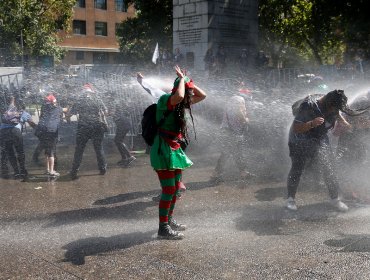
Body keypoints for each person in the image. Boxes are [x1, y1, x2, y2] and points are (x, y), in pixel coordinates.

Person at [149, 66, 206, 239]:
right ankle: (163, 228)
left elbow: (202, 95)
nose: (190, 97)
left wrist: (187, 79)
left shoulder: (182, 103)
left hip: (174, 148)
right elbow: (180, 95)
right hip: (163, 149)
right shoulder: (166, 99)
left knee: (174, 190)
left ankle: (169, 220)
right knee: (168, 189)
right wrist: (182, 79)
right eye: (188, 92)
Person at [286, 89, 364, 212]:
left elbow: (337, 114)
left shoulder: (332, 104)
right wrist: (312, 123)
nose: (335, 110)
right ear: (328, 104)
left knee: (330, 168)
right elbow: (297, 127)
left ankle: (334, 199)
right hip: (299, 138)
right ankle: (290, 199)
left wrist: (345, 123)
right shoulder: (309, 105)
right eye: (334, 108)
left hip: (319, 137)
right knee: (297, 168)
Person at [68, 84, 108, 180]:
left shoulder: (79, 100)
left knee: (79, 150)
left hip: (83, 127)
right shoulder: (97, 98)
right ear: (91, 91)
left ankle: (74, 170)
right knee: (99, 148)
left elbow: (70, 113)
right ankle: (102, 169)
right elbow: (106, 111)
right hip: (97, 126)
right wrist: (101, 115)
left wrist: (68, 112)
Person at [210, 95, 254, 182]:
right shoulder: (239, 105)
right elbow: (242, 118)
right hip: (234, 134)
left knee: (231, 154)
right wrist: (247, 119)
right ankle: (216, 174)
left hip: (226, 132)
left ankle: (243, 172)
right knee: (232, 154)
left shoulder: (229, 105)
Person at [0, 96, 36, 179]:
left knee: (10, 152)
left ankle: (16, 172)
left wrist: (12, 98)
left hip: (3, 132)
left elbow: (11, 103)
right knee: (20, 152)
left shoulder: (9, 110)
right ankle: (22, 171)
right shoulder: (24, 113)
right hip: (15, 131)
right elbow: (32, 124)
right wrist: (40, 129)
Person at [34, 94, 67, 177]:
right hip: (51, 131)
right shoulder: (58, 108)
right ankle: (52, 171)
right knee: (51, 151)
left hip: (42, 131)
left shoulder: (43, 107)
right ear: (53, 102)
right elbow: (65, 110)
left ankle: (47, 169)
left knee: (47, 150)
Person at [111, 95, 136, 167]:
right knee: (117, 140)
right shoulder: (117, 103)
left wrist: (109, 113)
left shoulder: (114, 104)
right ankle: (124, 158)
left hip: (123, 124)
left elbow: (113, 113)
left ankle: (129, 157)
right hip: (124, 124)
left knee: (118, 141)